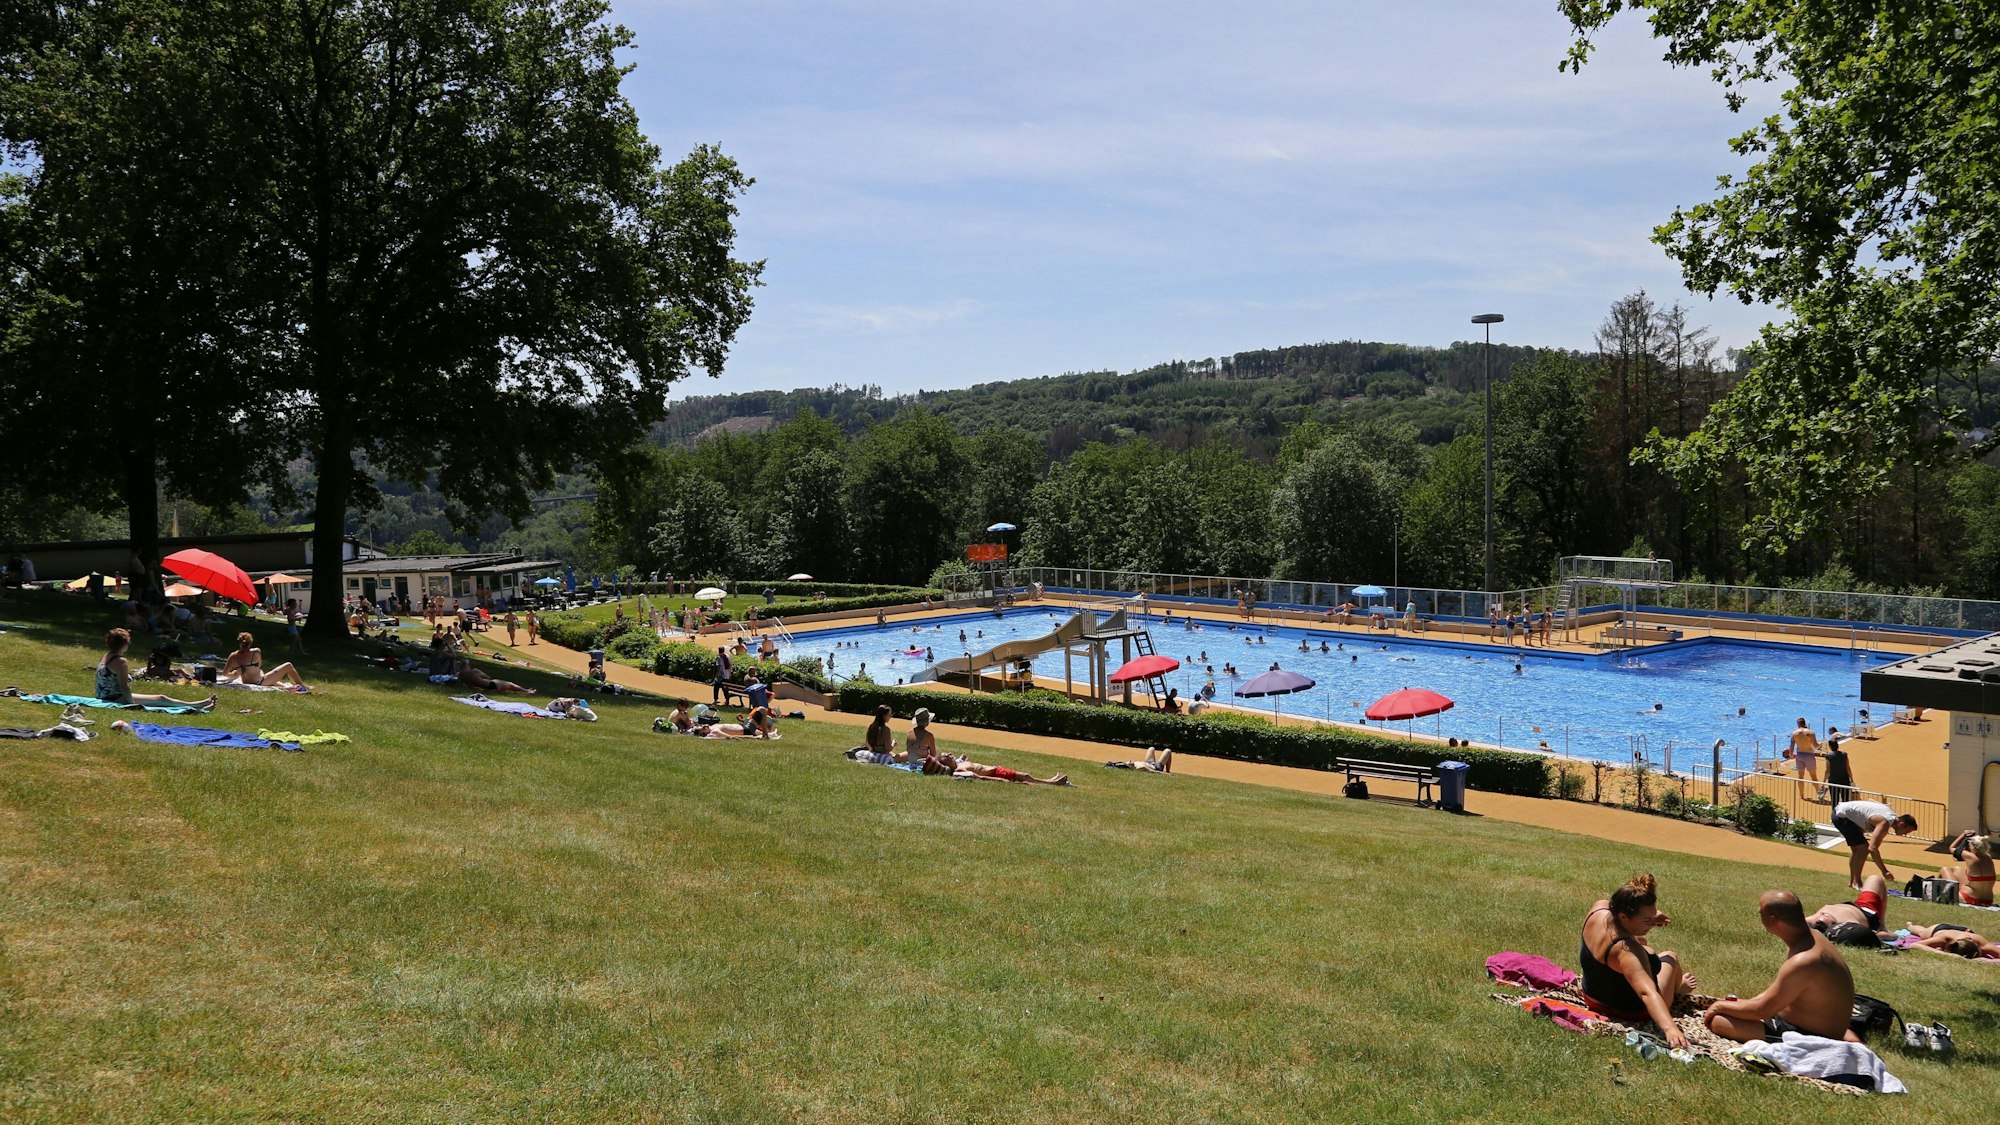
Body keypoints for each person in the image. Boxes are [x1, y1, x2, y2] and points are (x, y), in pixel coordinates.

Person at [1703, 891, 1859, 1043]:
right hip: (1820, 1024)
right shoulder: (1812, 938)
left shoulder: (1802, 960)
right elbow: (1775, 995)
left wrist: (1718, 1006)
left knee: (1719, 1022)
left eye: (1760, 913)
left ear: (1772, 920)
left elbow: (1763, 1010)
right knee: (1734, 1009)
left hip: (1810, 1035)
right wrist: (1742, 1004)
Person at [1577, 873, 1691, 1049]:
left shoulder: (1598, 909)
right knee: (1670, 957)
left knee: (1643, 943)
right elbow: (1647, 993)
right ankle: (1679, 988)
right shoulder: (1627, 951)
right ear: (1623, 916)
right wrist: (1670, 1029)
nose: (1651, 923)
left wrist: (1651, 918)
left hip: (1591, 996)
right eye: (1646, 920)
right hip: (1630, 1011)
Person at [95, 629, 215, 711]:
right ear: (125, 644)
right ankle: (195, 706)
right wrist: (131, 703)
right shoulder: (121, 661)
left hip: (103, 695)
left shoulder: (106, 656)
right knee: (161, 698)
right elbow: (124, 687)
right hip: (115, 697)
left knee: (161, 698)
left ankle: (197, 704)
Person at [1830, 801, 1917, 888]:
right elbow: (1872, 848)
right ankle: (1856, 882)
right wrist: (1884, 871)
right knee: (1863, 848)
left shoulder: (1891, 817)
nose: (1905, 834)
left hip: (1843, 813)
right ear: (1901, 825)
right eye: (1906, 831)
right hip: (1841, 816)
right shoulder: (1885, 822)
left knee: (1857, 849)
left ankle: (1853, 881)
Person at [1806, 874, 1892, 945]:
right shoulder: (1849, 925)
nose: (1824, 914)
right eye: (1833, 922)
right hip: (1865, 909)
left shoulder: (1812, 921)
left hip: (1852, 905)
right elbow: (1868, 936)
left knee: (1874, 878)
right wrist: (1885, 935)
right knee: (1875, 878)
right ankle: (1882, 926)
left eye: (1823, 914)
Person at [220, 632, 308, 689]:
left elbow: (225, 673)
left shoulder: (233, 656)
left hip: (246, 681)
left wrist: (235, 673)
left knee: (276, 681)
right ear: (250, 643)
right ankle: (302, 685)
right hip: (259, 682)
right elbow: (259, 666)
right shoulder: (256, 652)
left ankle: (289, 686)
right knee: (288, 665)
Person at [924, 752, 1069, 786]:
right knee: (1025, 775)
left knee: (1024, 775)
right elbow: (979, 777)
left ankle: (1049, 781)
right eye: (947, 756)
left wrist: (962, 759)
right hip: (996, 773)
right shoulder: (958, 771)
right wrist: (1000, 780)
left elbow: (965, 758)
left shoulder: (958, 763)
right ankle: (1051, 783)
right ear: (946, 762)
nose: (950, 754)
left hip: (996, 769)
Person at [1936, 832, 1995, 906]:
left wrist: (1963, 834)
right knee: (1958, 869)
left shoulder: (1970, 856)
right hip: (1988, 900)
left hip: (1970, 898)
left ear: (1972, 846)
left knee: (1944, 869)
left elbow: (1952, 848)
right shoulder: (1988, 857)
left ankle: (1936, 894)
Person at [1904, 922, 2000, 961]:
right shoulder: (1944, 938)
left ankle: (1911, 925)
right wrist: (1947, 955)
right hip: (1940, 929)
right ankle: (1910, 925)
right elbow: (1915, 945)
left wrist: (1985, 961)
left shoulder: (1980, 942)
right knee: (1921, 932)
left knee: (1922, 932)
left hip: (1966, 931)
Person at [456, 654, 534, 695]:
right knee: (510, 684)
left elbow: (465, 685)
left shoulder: (461, 675)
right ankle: (527, 691)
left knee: (507, 688)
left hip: (482, 687)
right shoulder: (474, 671)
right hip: (490, 684)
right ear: (467, 664)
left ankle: (522, 692)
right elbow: (487, 677)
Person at [1785, 717, 1821, 795]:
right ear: (1805, 723)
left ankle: (1801, 794)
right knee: (1813, 776)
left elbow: (1792, 745)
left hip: (1800, 755)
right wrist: (1820, 744)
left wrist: (1791, 754)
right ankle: (1819, 793)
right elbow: (1815, 746)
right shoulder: (1811, 733)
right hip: (1809, 755)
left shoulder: (1794, 733)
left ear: (1798, 724)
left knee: (1800, 776)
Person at [1820, 735, 1853, 804]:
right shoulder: (1844, 754)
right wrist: (1852, 779)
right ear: (1837, 746)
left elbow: (1827, 770)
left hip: (1833, 781)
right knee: (1846, 800)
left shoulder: (1828, 756)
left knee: (1834, 800)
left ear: (1830, 747)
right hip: (1845, 780)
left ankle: (1835, 814)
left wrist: (1824, 782)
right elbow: (1848, 768)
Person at [1105, 747, 1173, 772]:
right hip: (1156, 767)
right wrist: (1166, 774)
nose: (1130, 761)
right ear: (1130, 767)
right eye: (1129, 763)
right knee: (1168, 751)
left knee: (1151, 748)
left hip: (1148, 762)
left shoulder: (1133, 765)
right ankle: (1168, 770)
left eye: (1127, 762)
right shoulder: (1140, 767)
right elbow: (1154, 772)